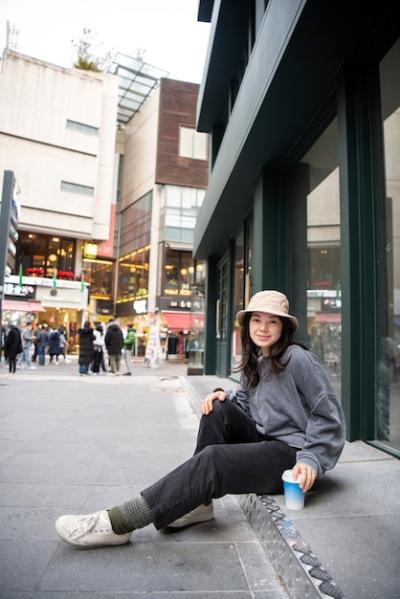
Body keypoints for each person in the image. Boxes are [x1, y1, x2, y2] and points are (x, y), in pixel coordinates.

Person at [55, 290, 345, 548]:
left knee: (214, 459)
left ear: (284, 327)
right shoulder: (255, 361)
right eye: (257, 320)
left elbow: (329, 416)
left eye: (272, 321)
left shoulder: (297, 359)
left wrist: (311, 459)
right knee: (216, 409)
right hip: (264, 441)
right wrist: (223, 396)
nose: (264, 328)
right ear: (248, 325)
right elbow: (247, 403)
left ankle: (118, 522)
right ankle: (199, 504)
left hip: (291, 455)